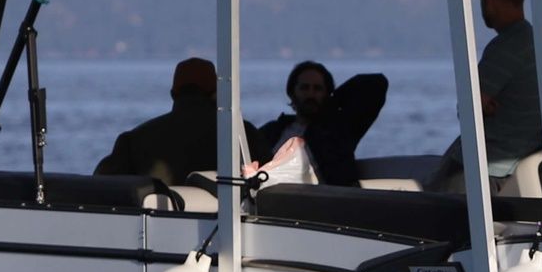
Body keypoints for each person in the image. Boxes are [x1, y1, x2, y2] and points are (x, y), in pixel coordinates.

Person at [426, 0, 542, 192]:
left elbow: (469, 109)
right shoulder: (535, 40)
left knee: (430, 196)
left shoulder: (505, 47)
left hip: (492, 167)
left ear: (488, 0)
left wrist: (477, 104)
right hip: (523, 155)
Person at [95, 57, 257, 185]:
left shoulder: (134, 140)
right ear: (215, 94)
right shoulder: (242, 135)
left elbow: (102, 186)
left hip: (156, 225)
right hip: (227, 225)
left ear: (173, 94)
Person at [253, 60, 389, 188]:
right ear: (292, 92)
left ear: (326, 93)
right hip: (270, 200)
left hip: (325, 204)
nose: (311, 94)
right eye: (304, 88)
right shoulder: (274, 130)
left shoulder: (338, 131)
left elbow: (377, 84)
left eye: (318, 89)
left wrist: (333, 100)